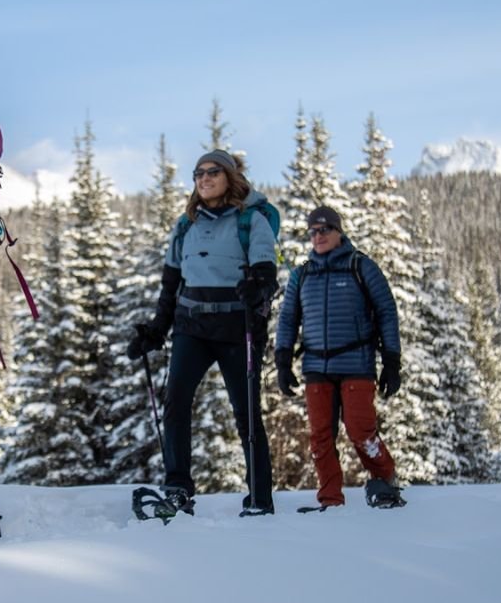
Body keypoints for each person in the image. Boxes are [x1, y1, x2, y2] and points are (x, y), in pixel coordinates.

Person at [126, 149, 279, 516]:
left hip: (237, 326)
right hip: (191, 325)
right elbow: (171, 283)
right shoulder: (186, 225)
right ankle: (177, 488)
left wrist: (258, 287)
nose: (204, 178)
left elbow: (266, 271)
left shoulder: (251, 220)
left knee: (245, 412)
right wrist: (157, 330)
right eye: (198, 173)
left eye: (213, 172)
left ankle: (259, 496)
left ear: (230, 176)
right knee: (176, 401)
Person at [273, 206, 404, 510]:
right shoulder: (302, 275)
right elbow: (287, 320)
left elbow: (387, 312)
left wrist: (392, 361)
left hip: (357, 364)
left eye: (324, 230)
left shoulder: (362, 267)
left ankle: (386, 478)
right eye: (313, 232)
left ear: (338, 231)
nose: (318, 236)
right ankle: (330, 500)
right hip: (316, 367)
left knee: (361, 431)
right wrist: (283, 360)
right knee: (320, 437)